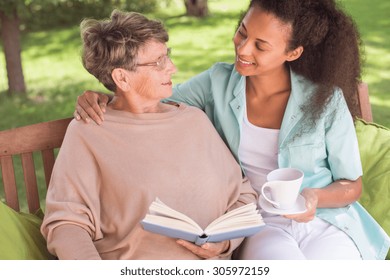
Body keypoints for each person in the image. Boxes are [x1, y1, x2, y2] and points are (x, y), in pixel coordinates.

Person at [73, 0, 390, 259]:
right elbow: (151, 98)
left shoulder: (325, 100)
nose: (243, 49)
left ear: (292, 53)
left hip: (325, 221)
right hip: (257, 224)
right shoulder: (217, 83)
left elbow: (352, 186)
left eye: (261, 46)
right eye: (242, 32)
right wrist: (108, 94)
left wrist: (313, 197)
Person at [40, 10, 258, 260]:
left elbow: (243, 195)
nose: (173, 68)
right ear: (122, 77)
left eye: (168, 56)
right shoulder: (90, 130)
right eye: (158, 62)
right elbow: (66, 224)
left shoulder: (193, 120)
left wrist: (225, 242)